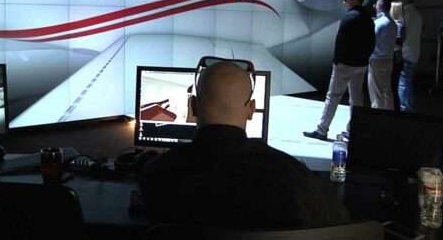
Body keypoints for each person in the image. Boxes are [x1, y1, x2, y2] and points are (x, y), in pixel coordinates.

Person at [139, 57, 350, 229]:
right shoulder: (293, 176)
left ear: (193, 106)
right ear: (251, 109)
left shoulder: (156, 174)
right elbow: (341, 223)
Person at [304, 0, 375, 140]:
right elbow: (371, 42)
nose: (344, 2)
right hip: (361, 65)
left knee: (333, 96)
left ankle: (322, 129)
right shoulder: (368, 19)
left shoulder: (349, 17)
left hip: (345, 64)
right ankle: (354, 130)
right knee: (356, 98)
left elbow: (340, 42)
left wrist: (336, 61)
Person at [367, 0, 397, 110]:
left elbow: (372, 42)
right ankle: (389, 115)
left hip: (377, 60)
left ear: (379, 6)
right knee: (387, 91)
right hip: (389, 59)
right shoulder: (393, 23)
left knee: (376, 92)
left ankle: (376, 117)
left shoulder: (378, 23)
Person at [397, 0, 422, 112]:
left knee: (403, 82)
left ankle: (405, 109)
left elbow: (401, 33)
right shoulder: (417, 13)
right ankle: (410, 106)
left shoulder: (404, 13)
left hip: (405, 52)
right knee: (408, 80)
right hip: (415, 51)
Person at [390, 1, 406, 111]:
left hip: (395, 59)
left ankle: (394, 111)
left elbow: (398, 44)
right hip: (398, 59)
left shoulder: (397, 25)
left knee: (392, 88)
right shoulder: (401, 24)